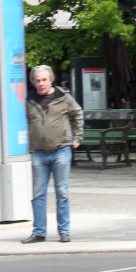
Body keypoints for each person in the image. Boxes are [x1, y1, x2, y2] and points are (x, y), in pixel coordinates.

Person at [24, 65, 83, 243]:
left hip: (61, 150)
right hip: (39, 153)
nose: (41, 83)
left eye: (44, 80)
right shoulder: (29, 99)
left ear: (51, 80)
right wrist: (29, 143)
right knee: (37, 194)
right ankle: (39, 232)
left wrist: (77, 135)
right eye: (37, 80)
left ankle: (64, 231)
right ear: (33, 82)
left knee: (62, 192)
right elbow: (26, 122)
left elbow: (77, 113)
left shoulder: (63, 97)